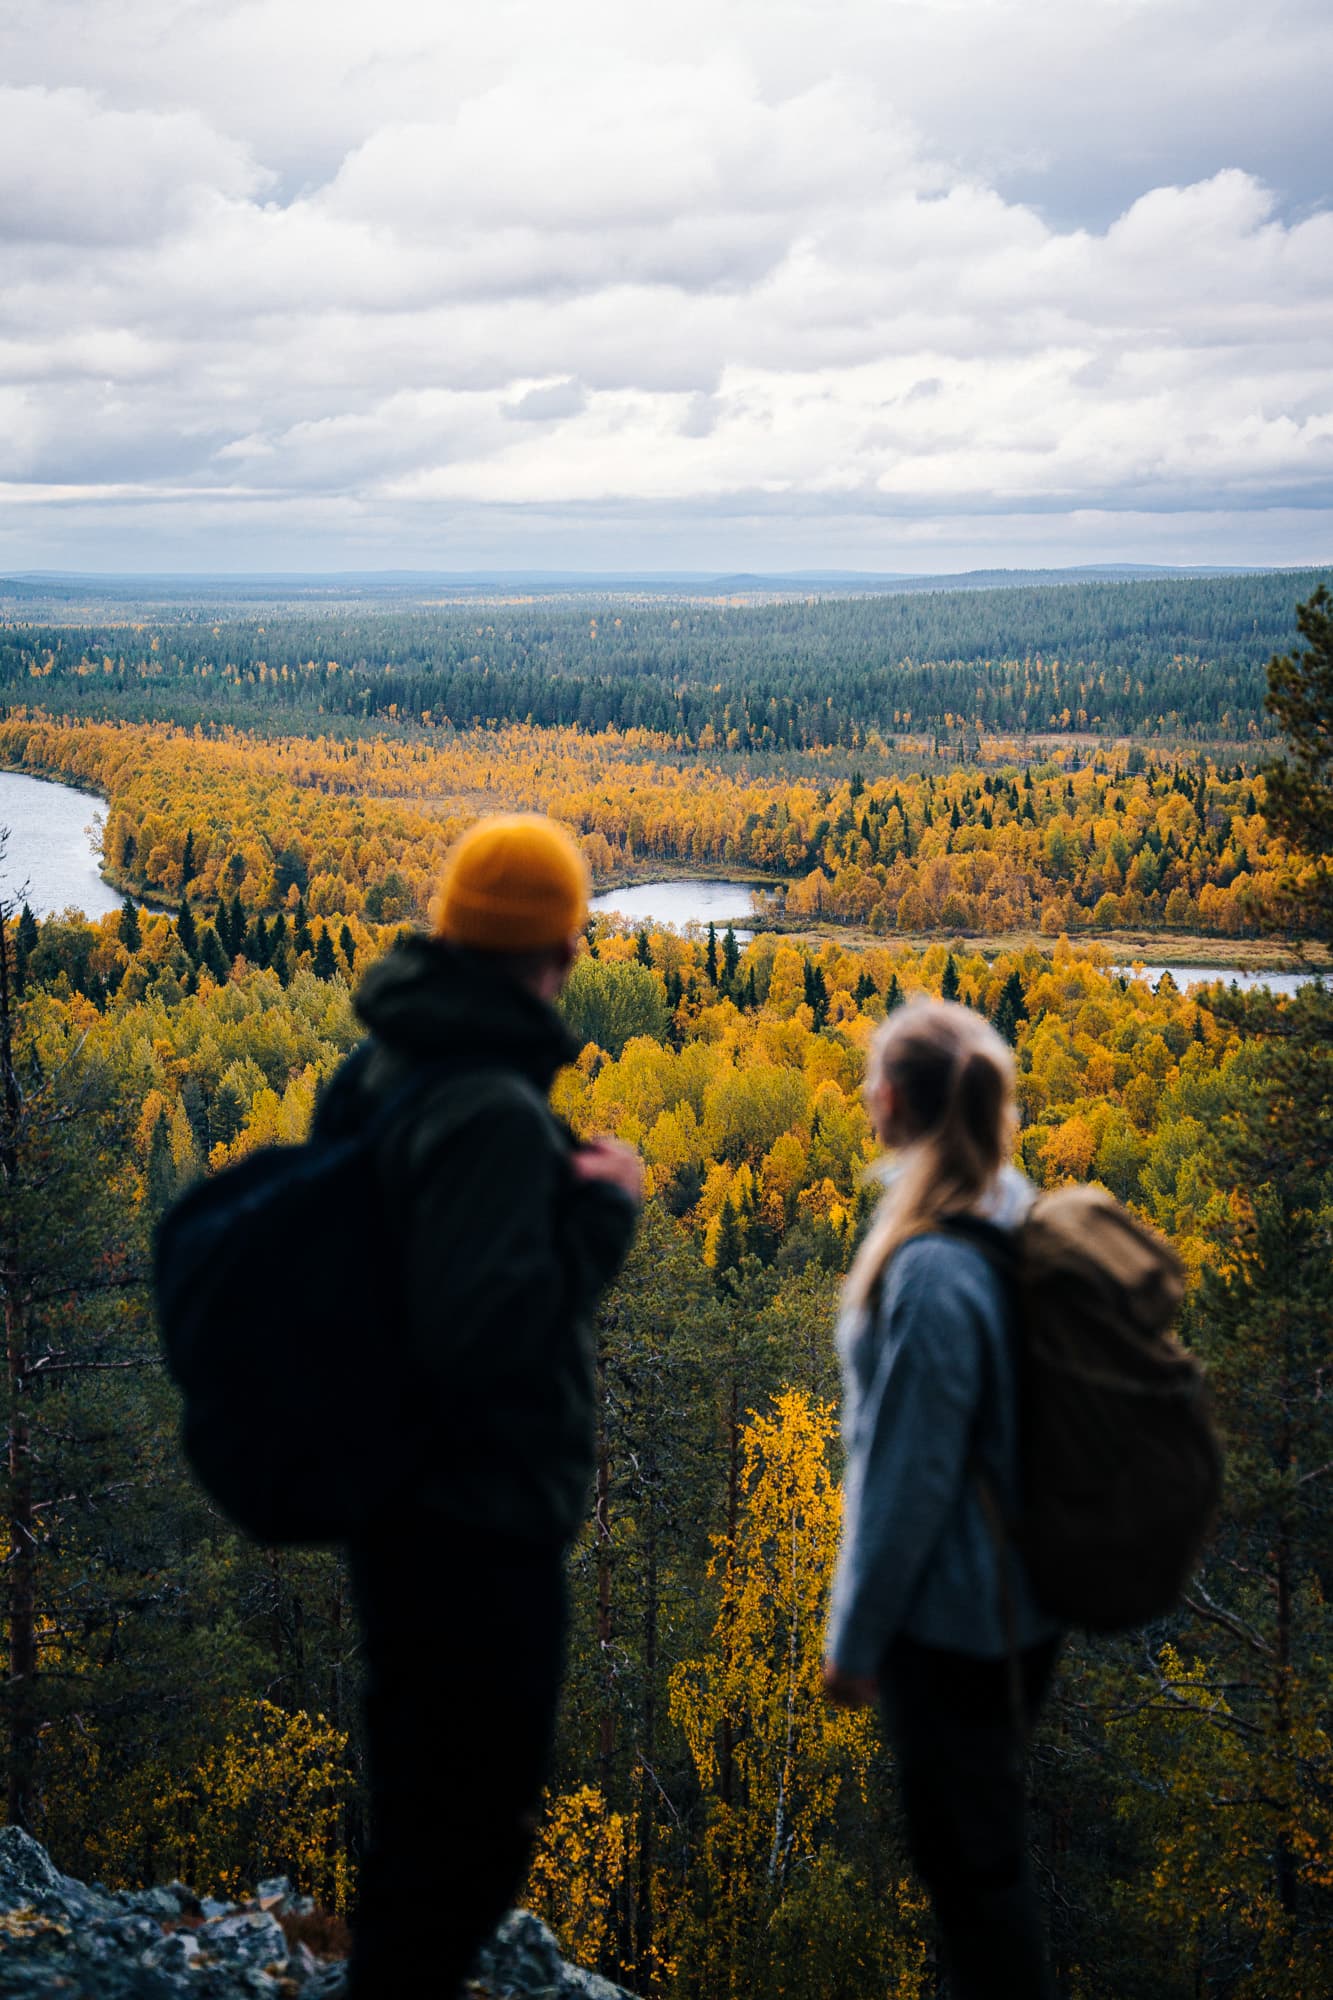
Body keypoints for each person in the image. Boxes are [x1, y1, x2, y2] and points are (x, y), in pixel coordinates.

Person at [320, 814, 643, 1999]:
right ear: (558, 945)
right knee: (471, 1825)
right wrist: (600, 1215)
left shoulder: (385, 1066)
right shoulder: (494, 1109)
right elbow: (485, 1338)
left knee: (419, 1793)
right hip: (475, 1521)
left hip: (395, 1499)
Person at [823, 997, 1062, 2000]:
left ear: (891, 1100)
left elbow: (907, 1472)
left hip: (956, 1619)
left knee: (970, 1875)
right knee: (985, 1853)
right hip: (1025, 1600)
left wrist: (855, 1637)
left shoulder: (929, 1267)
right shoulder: (1015, 1209)